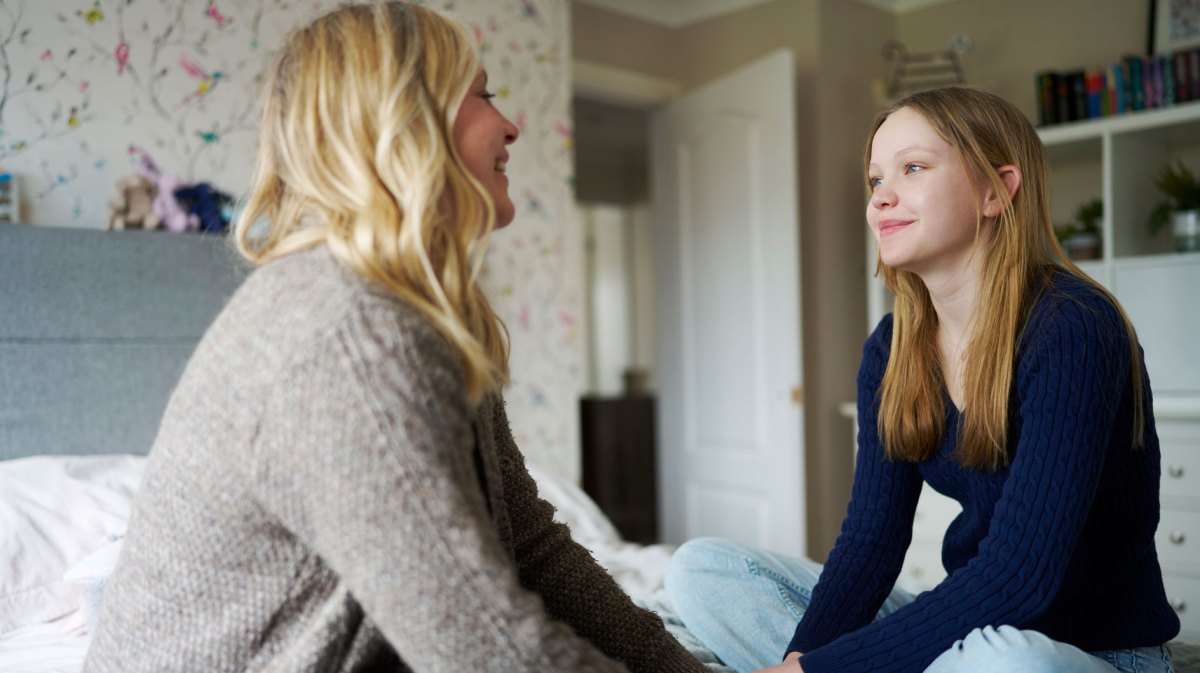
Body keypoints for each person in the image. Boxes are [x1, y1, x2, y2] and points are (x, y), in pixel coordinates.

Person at [83, 4, 710, 672]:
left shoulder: (425, 310)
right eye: (482, 95)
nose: (511, 124)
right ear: (401, 120)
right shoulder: (345, 333)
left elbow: (530, 546)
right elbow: (490, 650)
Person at [664, 86, 1180, 673]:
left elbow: (1019, 576)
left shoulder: (1073, 326)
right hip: (977, 632)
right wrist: (801, 660)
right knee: (702, 570)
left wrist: (819, 672)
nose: (882, 198)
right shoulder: (892, 348)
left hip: (1090, 650)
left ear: (995, 190)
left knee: (1007, 660)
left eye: (912, 169)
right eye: (876, 180)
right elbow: (869, 546)